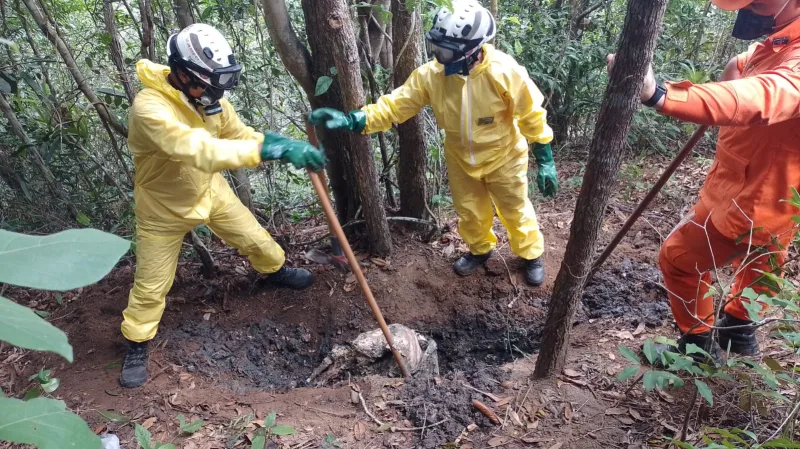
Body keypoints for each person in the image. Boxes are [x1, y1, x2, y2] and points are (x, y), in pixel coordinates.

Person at [120, 23, 327, 388]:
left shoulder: (209, 100)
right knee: (152, 286)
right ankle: (136, 342)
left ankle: (275, 272)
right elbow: (198, 149)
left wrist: (277, 142)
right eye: (209, 86)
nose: (215, 95)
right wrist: (267, 150)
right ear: (182, 75)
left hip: (209, 192)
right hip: (161, 209)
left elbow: (240, 136)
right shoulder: (149, 108)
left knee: (258, 241)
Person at [309, 1, 557, 286]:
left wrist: (545, 158)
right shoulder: (432, 75)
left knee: (514, 208)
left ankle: (530, 254)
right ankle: (480, 250)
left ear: (471, 49)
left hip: (505, 156)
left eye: (446, 50)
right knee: (469, 210)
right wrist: (353, 120)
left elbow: (531, 114)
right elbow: (396, 105)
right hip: (461, 157)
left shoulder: (505, 72)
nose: (439, 55)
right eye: (437, 47)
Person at [608, 0, 800, 363]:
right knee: (762, 261)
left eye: (756, 3)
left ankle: (697, 349)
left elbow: (767, 94)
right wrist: (741, 65)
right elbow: (758, 76)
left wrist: (662, 95)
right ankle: (738, 330)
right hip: (775, 199)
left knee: (678, 258)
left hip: (749, 202)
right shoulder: (776, 43)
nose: (747, 12)